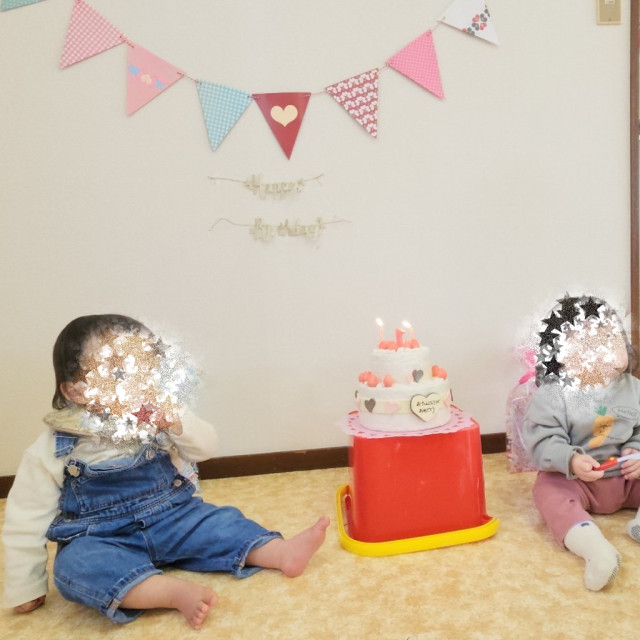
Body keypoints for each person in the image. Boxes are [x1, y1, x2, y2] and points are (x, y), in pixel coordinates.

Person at [2, 314, 329, 629]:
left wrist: (174, 421)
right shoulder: (53, 447)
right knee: (75, 566)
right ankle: (168, 592)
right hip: (101, 537)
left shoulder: (160, 415)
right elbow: (25, 517)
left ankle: (279, 553)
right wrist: (25, 585)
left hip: (174, 518)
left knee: (219, 523)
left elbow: (205, 449)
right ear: (77, 392)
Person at [523, 295, 640, 591]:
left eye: (612, 339)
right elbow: (542, 443)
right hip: (576, 481)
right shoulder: (552, 396)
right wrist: (571, 460)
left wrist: (637, 450)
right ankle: (594, 547)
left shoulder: (635, 389)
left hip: (628, 477)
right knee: (547, 490)